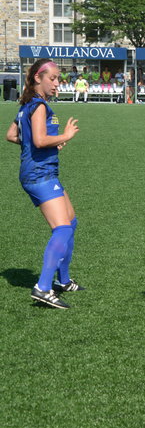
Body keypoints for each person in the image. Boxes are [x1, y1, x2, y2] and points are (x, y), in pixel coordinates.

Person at [4, 58, 82, 309]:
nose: (57, 83)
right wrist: (64, 136)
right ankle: (43, 287)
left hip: (42, 171)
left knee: (71, 222)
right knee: (62, 228)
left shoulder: (27, 104)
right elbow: (38, 140)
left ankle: (63, 280)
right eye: (53, 78)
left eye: (58, 78)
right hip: (39, 174)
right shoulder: (38, 105)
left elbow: (11, 135)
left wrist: (51, 142)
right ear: (38, 78)